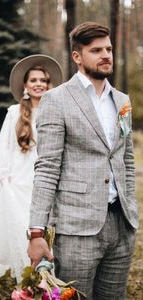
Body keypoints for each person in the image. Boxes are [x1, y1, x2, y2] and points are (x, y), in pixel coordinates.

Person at [27, 22, 139, 299]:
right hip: (77, 228)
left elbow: (125, 159)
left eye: (109, 49)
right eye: (96, 50)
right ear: (77, 56)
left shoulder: (122, 101)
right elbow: (47, 168)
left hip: (122, 225)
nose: (106, 55)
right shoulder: (56, 100)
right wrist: (36, 233)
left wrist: (131, 210)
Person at [0, 54, 63, 282]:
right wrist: (2, 175)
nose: (39, 84)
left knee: (47, 226)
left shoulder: (56, 110)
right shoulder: (14, 113)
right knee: (22, 225)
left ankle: (48, 271)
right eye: (34, 80)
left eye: (44, 80)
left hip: (46, 177)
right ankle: (27, 275)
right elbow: (4, 146)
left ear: (49, 85)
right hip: (20, 178)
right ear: (25, 85)